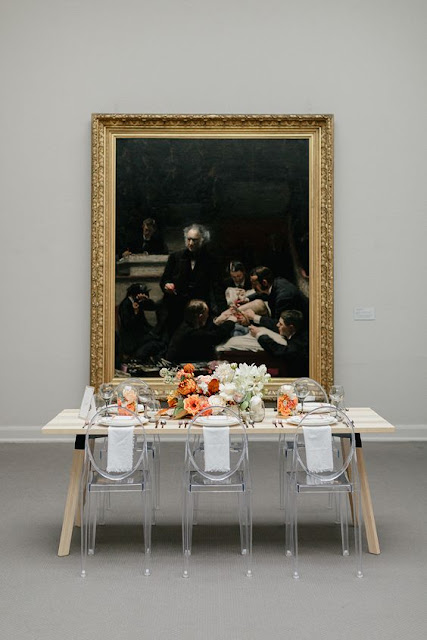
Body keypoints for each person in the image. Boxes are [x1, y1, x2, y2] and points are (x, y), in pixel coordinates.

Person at [159, 223, 223, 338]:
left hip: (199, 307)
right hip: (176, 306)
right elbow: (164, 279)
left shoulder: (211, 260)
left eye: (195, 240)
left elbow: (217, 287)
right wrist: (167, 285)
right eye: (189, 239)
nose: (191, 243)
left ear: (203, 240)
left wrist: (223, 311)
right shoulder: (175, 257)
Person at [236, 266, 306, 332]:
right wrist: (247, 299)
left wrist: (254, 317)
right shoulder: (276, 282)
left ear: (264, 283)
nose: (252, 287)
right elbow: (263, 293)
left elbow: (278, 325)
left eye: (254, 284)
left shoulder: (283, 298)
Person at [166, 299, 235, 364]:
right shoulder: (190, 333)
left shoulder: (186, 326)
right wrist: (231, 321)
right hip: (183, 365)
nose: (208, 316)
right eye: (207, 313)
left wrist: (218, 321)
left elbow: (206, 332)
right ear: (200, 316)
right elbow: (215, 337)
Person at [249, 309, 308, 377]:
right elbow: (273, 324)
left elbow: (278, 350)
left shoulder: (300, 344)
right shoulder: (294, 329)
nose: (277, 325)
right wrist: (254, 317)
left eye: (281, 324)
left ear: (291, 328)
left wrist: (259, 335)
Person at [117, 283, 165, 362]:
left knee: (161, 338)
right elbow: (128, 324)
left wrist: (146, 300)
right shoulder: (125, 304)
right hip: (132, 339)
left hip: (140, 334)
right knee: (158, 344)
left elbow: (153, 307)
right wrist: (135, 312)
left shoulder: (138, 302)